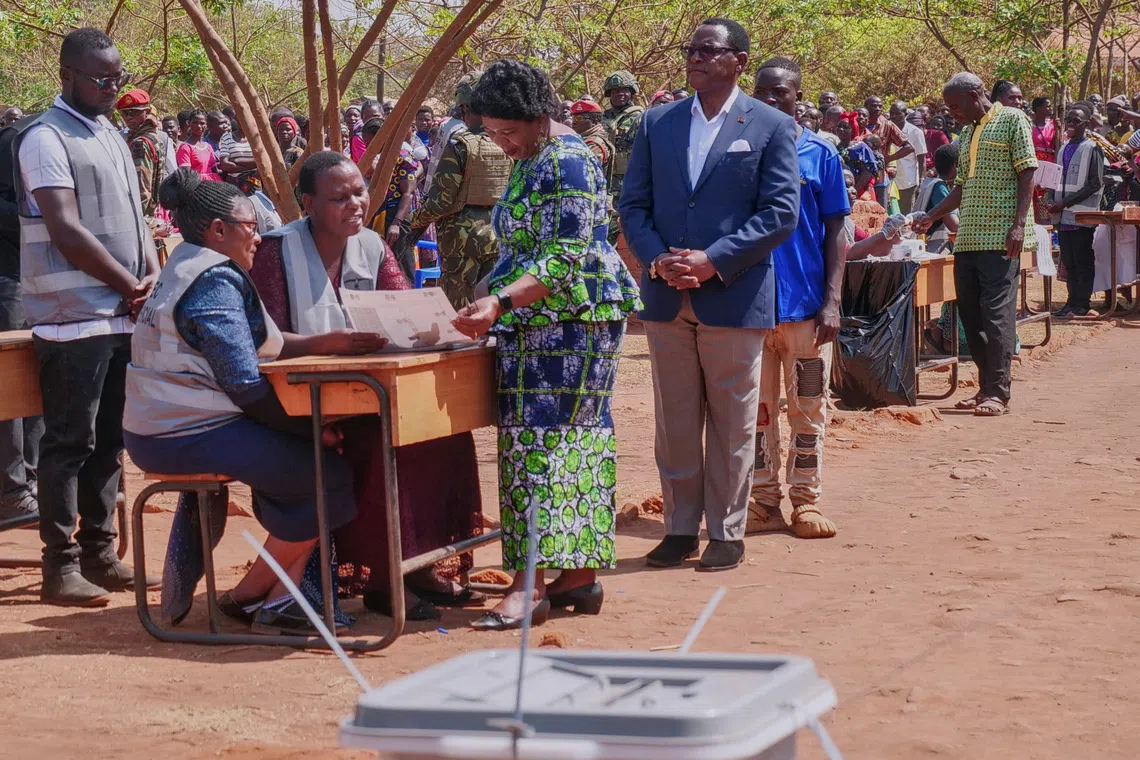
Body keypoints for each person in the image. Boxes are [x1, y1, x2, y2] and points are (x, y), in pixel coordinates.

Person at [247, 153, 485, 621]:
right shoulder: (277, 252)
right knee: (381, 446)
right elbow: (262, 340)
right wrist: (327, 344)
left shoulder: (373, 245)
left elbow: (402, 303)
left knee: (441, 434)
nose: (355, 204)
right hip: (303, 402)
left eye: (360, 192)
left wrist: (433, 325)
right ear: (309, 203)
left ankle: (419, 564)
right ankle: (382, 577)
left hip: (365, 391)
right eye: (340, 198)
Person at [123, 169, 360, 633]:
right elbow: (246, 386)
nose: (259, 237)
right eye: (252, 227)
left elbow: (255, 344)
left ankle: (257, 596)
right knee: (326, 473)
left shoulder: (185, 263)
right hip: (181, 431)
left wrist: (326, 342)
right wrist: (310, 429)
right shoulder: (211, 281)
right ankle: (270, 601)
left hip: (170, 422)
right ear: (219, 231)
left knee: (316, 468)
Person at [451, 59, 640, 630]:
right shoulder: (531, 158)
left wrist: (501, 302)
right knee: (565, 445)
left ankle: (529, 586)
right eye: (492, 133)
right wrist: (486, 292)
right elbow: (522, 245)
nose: (501, 143)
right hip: (538, 321)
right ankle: (577, 578)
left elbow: (566, 255)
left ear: (539, 119)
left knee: (544, 449)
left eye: (508, 132)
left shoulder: (571, 160)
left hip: (571, 324)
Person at [619, 18, 799, 572]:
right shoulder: (657, 123)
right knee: (674, 420)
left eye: (708, 50)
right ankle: (679, 529)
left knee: (732, 419)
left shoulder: (770, 125)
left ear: (738, 60)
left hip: (733, 295)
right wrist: (658, 258)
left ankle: (726, 530)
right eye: (690, 49)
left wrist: (712, 260)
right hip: (667, 293)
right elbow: (633, 205)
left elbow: (780, 212)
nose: (694, 57)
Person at [14, 28, 161, 605]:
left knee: (108, 444)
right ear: (67, 76)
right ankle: (60, 566)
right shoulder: (45, 138)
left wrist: (150, 278)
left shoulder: (110, 134)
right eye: (102, 79)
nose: (112, 88)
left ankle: (101, 555)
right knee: (68, 442)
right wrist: (130, 285)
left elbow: (136, 218)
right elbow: (66, 230)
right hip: (72, 320)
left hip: (121, 317)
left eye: (118, 78)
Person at [749, 58, 848, 540]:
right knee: (756, 414)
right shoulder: (738, 153)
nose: (770, 99)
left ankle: (806, 501)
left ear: (797, 97)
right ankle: (761, 501)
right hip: (747, 312)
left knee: (808, 410)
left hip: (806, 310)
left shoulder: (820, 155)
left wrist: (832, 300)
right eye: (762, 91)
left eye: (780, 92)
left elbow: (836, 233)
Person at [912, 72, 1037, 418]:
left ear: (975, 94)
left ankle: (999, 393)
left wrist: (1017, 226)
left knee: (997, 317)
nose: (953, 113)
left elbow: (1027, 171)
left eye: (955, 106)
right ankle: (984, 389)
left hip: (1001, 237)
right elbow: (961, 187)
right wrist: (930, 215)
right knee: (971, 316)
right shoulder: (966, 135)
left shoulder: (1013, 119)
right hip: (967, 239)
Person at [409, 72, 513, 308]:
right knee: (491, 304)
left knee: (460, 309)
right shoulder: (507, 145)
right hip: (497, 235)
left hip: (461, 241)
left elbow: (441, 202)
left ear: (466, 107)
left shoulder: (460, 145)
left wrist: (413, 221)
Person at [0, 107, 41, 524]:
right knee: (11, 386)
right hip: (9, 281)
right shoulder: (18, 139)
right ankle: (12, 490)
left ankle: (29, 479)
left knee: (33, 383)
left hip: (37, 281)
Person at [1047, 102, 1104, 318]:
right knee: (1068, 261)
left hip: (1082, 214)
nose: (1070, 124)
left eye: (1075, 121)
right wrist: (1052, 199)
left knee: (1082, 259)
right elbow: (1055, 178)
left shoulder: (1093, 148)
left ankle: (1083, 302)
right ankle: (1071, 302)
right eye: (1068, 120)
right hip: (1062, 216)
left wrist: (1065, 202)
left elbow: (1095, 182)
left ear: (1086, 124)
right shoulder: (1063, 147)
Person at [602, 70, 645, 240]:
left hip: (628, 182)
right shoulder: (602, 118)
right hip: (604, 180)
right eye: (614, 91)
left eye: (624, 90)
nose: (619, 94)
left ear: (632, 92)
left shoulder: (640, 117)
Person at [116, 88, 169, 222]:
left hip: (141, 215)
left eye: (134, 112)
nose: (128, 117)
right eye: (125, 113)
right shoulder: (155, 136)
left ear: (147, 112)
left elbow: (141, 188)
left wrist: (138, 220)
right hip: (150, 212)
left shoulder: (140, 143)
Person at [863, 95, 912, 206]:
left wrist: (889, 158)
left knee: (881, 213)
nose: (877, 109)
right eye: (873, 106)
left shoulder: (887, 125)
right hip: (859, 176)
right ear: (865, 106)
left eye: (880, 106)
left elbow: (909, 147)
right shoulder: (858, 122)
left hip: (879, 178)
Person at [914, 142, 960, 256]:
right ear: (955, 166)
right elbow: (953, 225)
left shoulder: (929, 182)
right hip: (936, 249)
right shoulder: (939, 188)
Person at [890, 102, 927, 213]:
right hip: (891, 181)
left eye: (897, 113)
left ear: (905, 114)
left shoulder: (915, 132)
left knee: (906, 216)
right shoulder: (886, 128)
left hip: (908, 183)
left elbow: (922, 160)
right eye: (892, 113)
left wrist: (921, 183)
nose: (894, 116)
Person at [570, 98, 615, 182]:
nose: (574, 122)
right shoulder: (581, 138)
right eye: (573, 117)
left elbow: (582, 172)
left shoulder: (595, 143)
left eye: (579, 118)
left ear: (595, 120)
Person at [176, 108, 221, 181]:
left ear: (206, 125)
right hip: (196, 185)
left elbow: (214, 169)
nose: (199, 126)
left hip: (213, 185)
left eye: (202, 123)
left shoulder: (208, 146)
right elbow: (186, 175)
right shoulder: (185, 147)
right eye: (195, 123)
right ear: (189, 123)